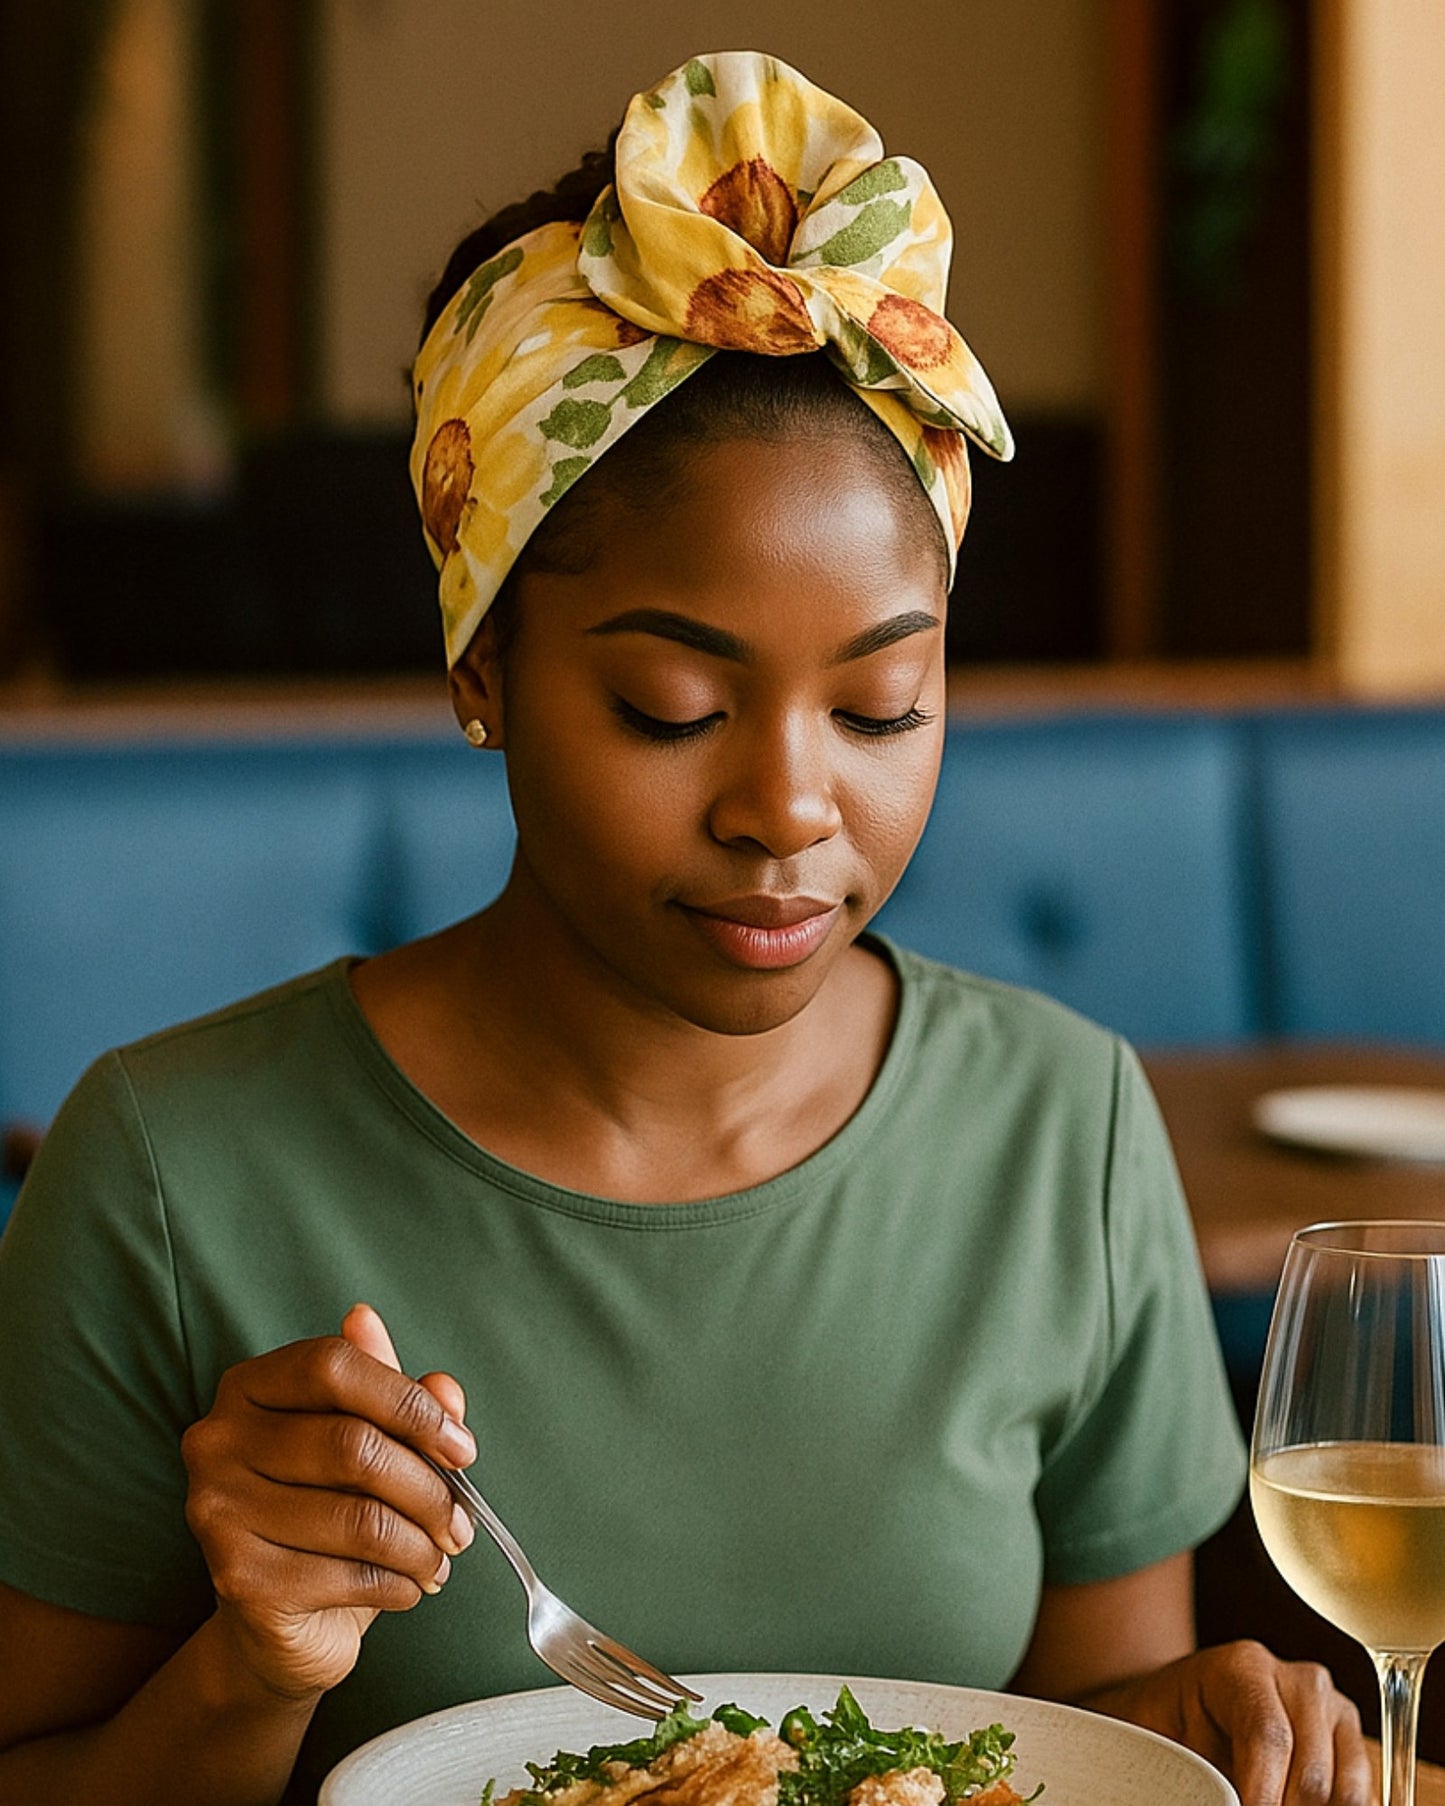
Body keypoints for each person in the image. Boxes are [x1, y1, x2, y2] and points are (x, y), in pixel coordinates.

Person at [0, 49, 1369, 1806]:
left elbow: (1081, 1724)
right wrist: (255, 1663)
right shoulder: (171, 1168)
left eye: (879, 707)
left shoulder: (1064, 1125)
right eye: (670, 707)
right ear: (483, 671)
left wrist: (1213, 1713)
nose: (788, 808)